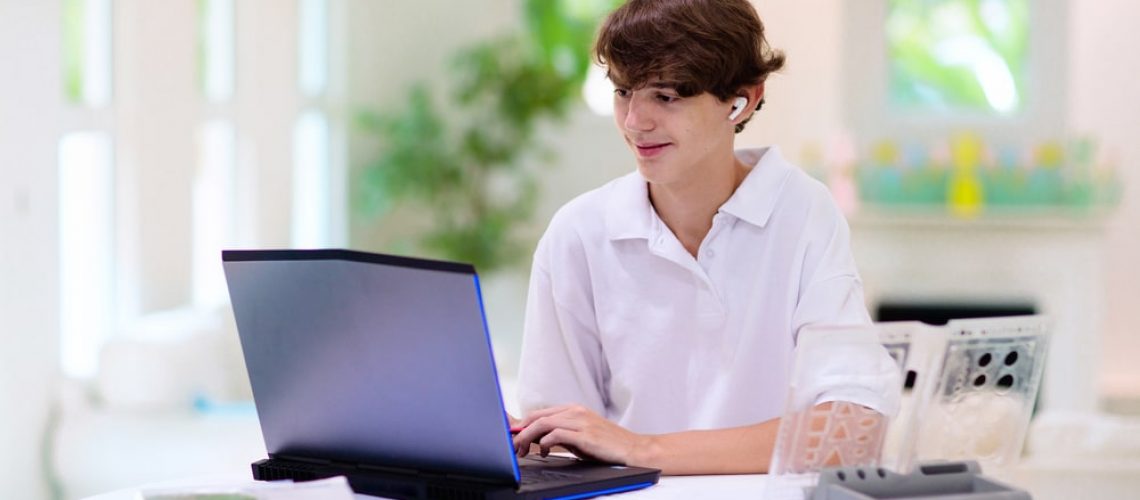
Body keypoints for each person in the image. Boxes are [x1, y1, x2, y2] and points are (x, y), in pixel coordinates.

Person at [511, 0, 898, 475]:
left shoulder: (803, 213)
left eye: (666, 96)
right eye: (623, 91)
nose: (635, 121)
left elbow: (853, 431)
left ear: (742, 101)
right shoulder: (577, 233)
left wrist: (642, 449)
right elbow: (561, 439)